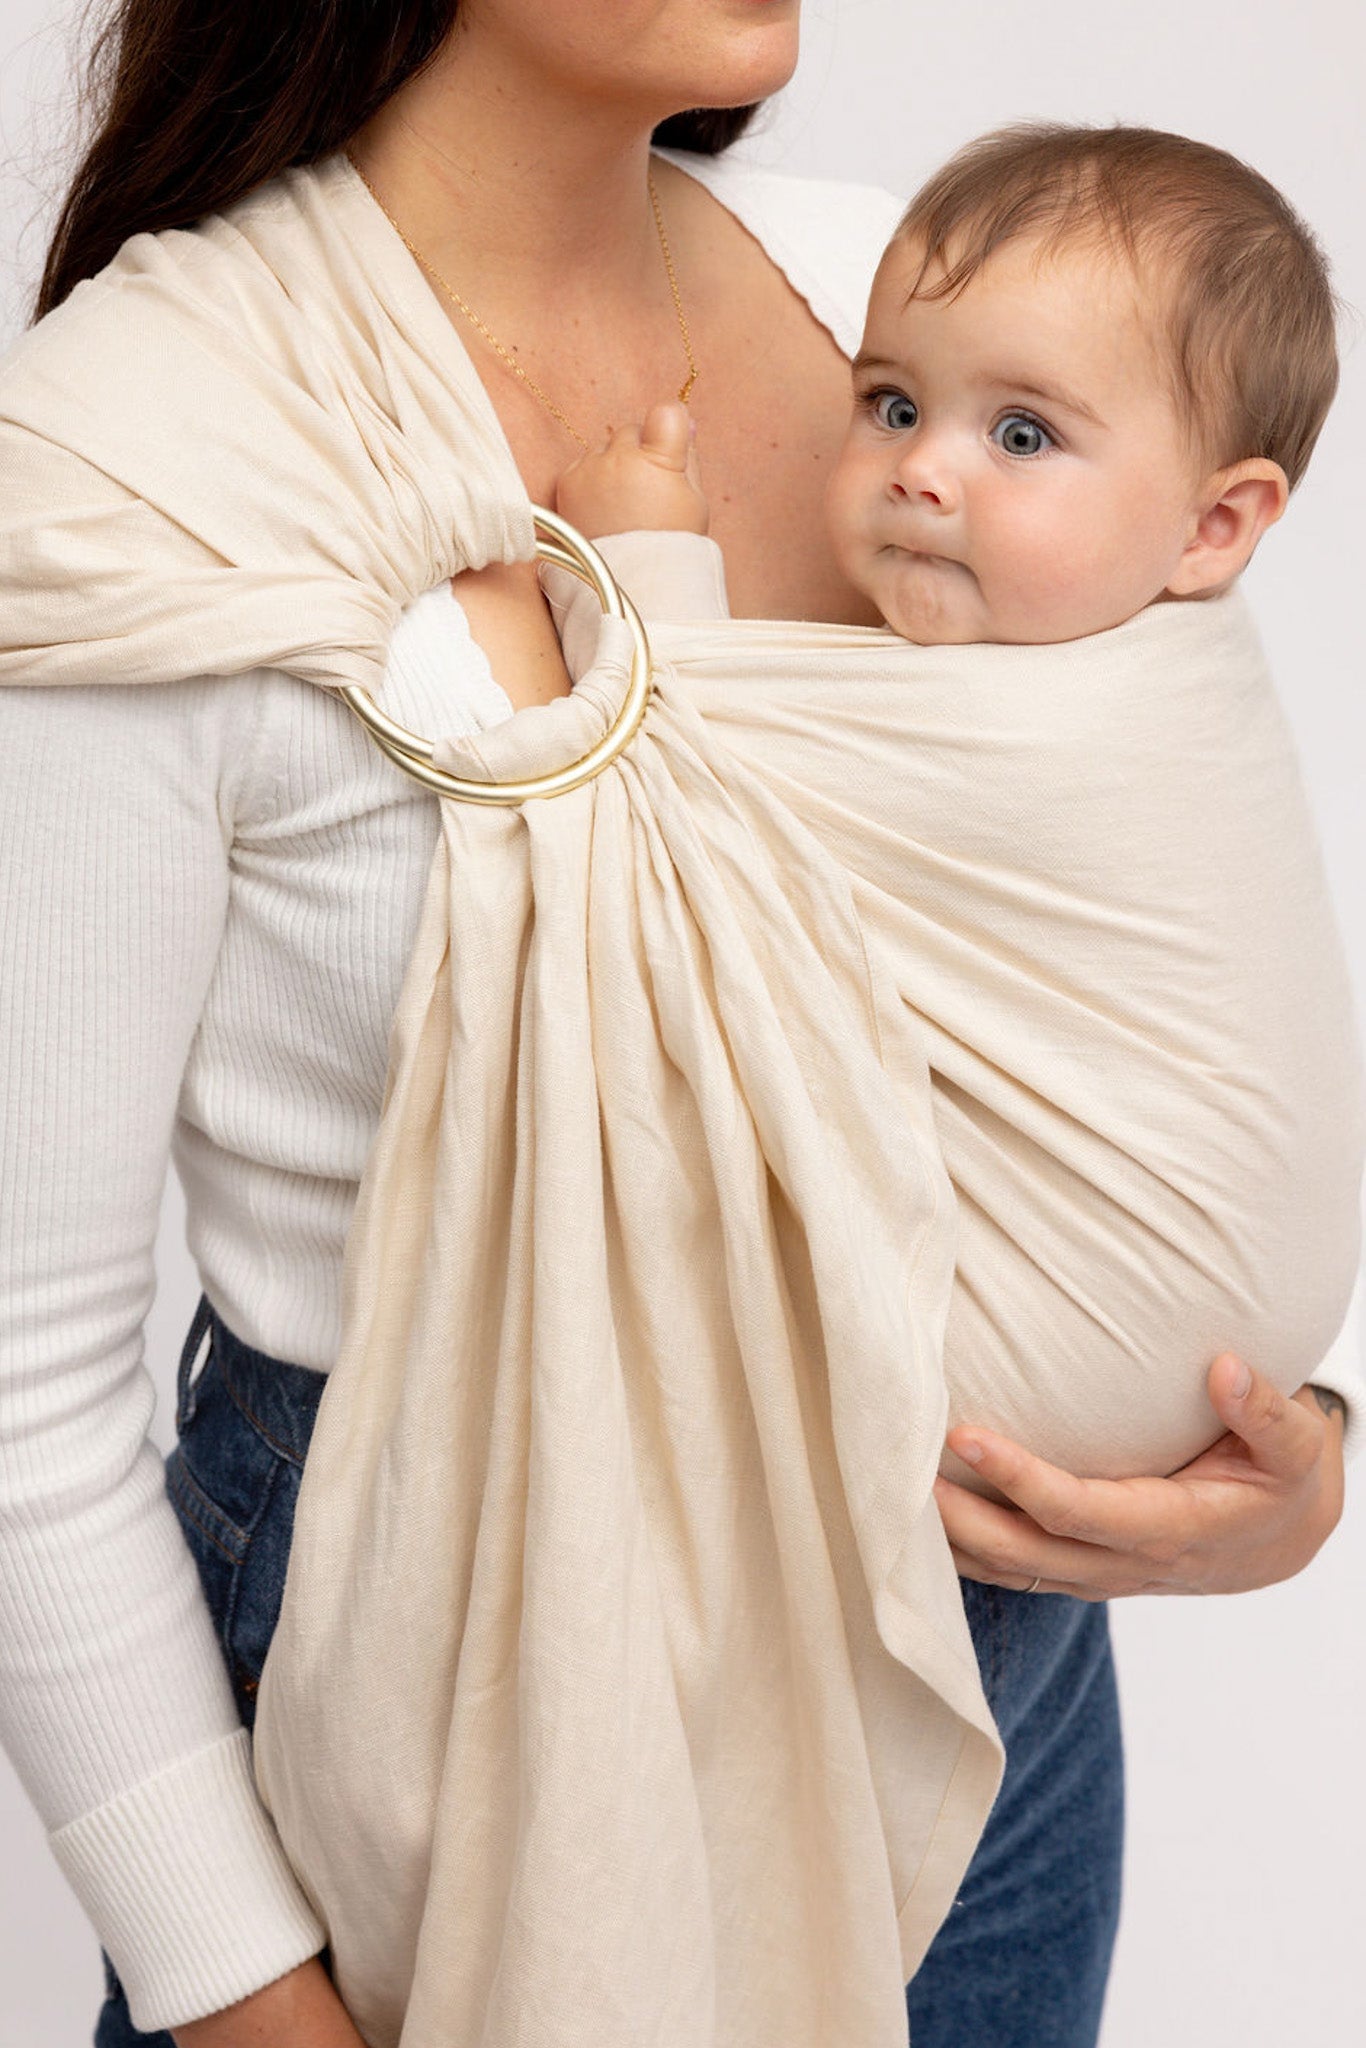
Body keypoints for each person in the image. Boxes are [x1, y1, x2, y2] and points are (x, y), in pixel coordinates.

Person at [0, 13, 1357, 2048]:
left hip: (977, 1687)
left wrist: (1273, 1459)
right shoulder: (150, 462)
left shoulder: (914, 301)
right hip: (463, 1669)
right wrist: (242, 1998)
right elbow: (18, 1377)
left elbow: (1127, 972)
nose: (925, 453)